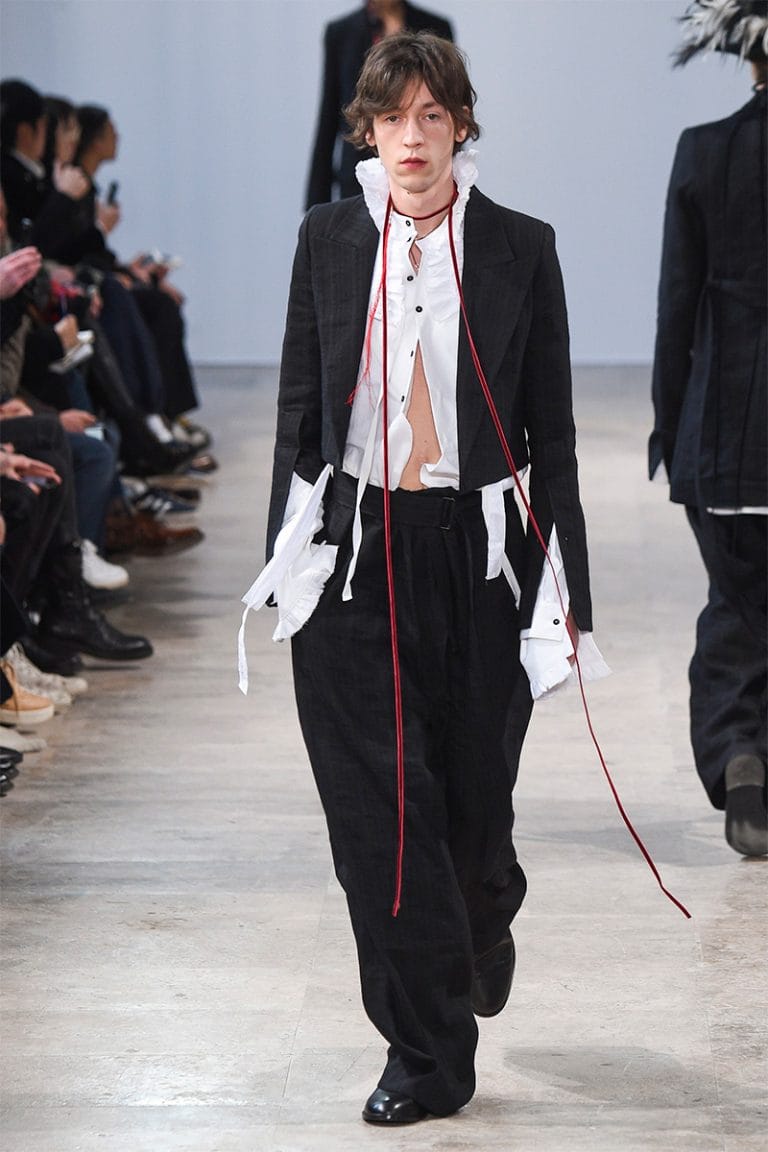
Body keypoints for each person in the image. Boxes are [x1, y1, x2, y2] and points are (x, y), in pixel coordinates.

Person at [241, 33, 605, 1125]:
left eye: (432, 116)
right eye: (393, 117)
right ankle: (427, 1054)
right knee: (381, 820)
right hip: (354, 555)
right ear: (366, 131)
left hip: (478, 556)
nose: (412, 137)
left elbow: (554, 436)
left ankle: (482, 913)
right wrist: (286, 561)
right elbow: (300, 414)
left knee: (471, 815)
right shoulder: (326, 239)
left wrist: (571, 592)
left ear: (461, 126)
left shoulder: (521, 247)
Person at [650, 0, 767, 857]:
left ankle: (740, 759)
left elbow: (676, 309)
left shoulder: (704, 151)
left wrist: (670, 426)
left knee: (736, 604)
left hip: (726, 435)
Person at [304, 1, 453, 208]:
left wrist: (457, 181)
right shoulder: (342, 32)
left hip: (422, 171)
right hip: (358, 172)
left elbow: (448, 105)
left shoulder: (435, 27)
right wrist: (316, 203)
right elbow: (329, 114)